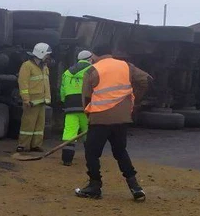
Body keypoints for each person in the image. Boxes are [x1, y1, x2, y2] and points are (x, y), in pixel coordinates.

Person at [74, 43, 151, 201]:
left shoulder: (92, 70)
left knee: (92, 152)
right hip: (121, 117)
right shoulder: (126, 66)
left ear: (94, 55)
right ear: (111, 53)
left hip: (100, 118)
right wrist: (133, 101)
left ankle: (95, 186)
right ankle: (135, 187)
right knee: (120, 151)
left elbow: (86, 97)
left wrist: (89, 115)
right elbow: (146, 80)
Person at [59, 50, 93, 166]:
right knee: (88, 132)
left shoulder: (67, 72)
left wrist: (65, 101)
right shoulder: (92, 70)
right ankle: (91, 158)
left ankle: (67, 159)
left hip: (70, 107)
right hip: (86, 106)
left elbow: (62, 90)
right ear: (90, 59)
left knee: (69, 133)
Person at [16, 42, 52, 153]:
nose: (48, 57)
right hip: (31, 102)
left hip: (41, 101)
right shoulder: (27, 66)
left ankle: (36, 145)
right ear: (41, 54)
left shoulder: (44, 67)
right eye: (47, 55)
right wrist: (26, 99)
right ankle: (23, 145)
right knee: (28, 124)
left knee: (39, 125)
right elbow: (23, 83)